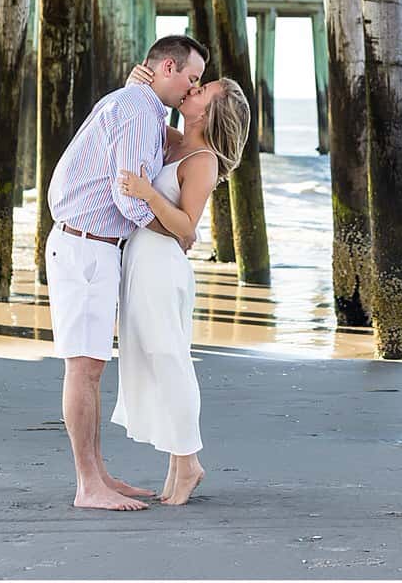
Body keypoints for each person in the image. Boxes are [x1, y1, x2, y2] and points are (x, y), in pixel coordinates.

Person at [42, 34, 207, 510]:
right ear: (169, 67)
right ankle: (88, 485)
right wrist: (173, 230)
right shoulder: (139, 109)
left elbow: (188, 151)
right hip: (85, 247)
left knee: (90, 369)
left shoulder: (146, 109)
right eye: (191, 78)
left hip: (94, 249)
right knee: (84, 368)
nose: (191, 88)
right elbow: (127, 197)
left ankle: (98, 474)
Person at [114, 67, 252, 507]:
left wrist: (147, 194)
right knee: (152, 358)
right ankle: (176, 466)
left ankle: (189, 462)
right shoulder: (176, 143)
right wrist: (136, 84)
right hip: (141, 258)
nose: (192, 90)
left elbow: (185, 227)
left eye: (202, 91)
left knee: (168, 359)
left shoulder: (203, 161)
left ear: (209, 114)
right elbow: (138, 121)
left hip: (161, 263)